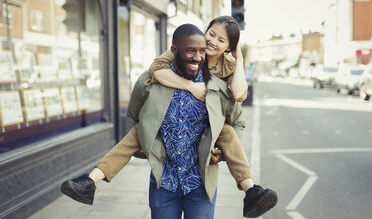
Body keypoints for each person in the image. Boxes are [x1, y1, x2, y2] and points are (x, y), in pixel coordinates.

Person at [61, 19, 277, 218]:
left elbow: (238, 110)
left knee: (226, 131)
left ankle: (251, 191)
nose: (202, 52)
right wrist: (141, 145)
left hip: (200, 183)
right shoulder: (155, 76)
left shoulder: (219, 84)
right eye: (210, 35)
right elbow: (134, 113)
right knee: (141, 129)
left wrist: (222, 152)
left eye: (219, 41)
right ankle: (90, 182)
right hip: (163, 183)